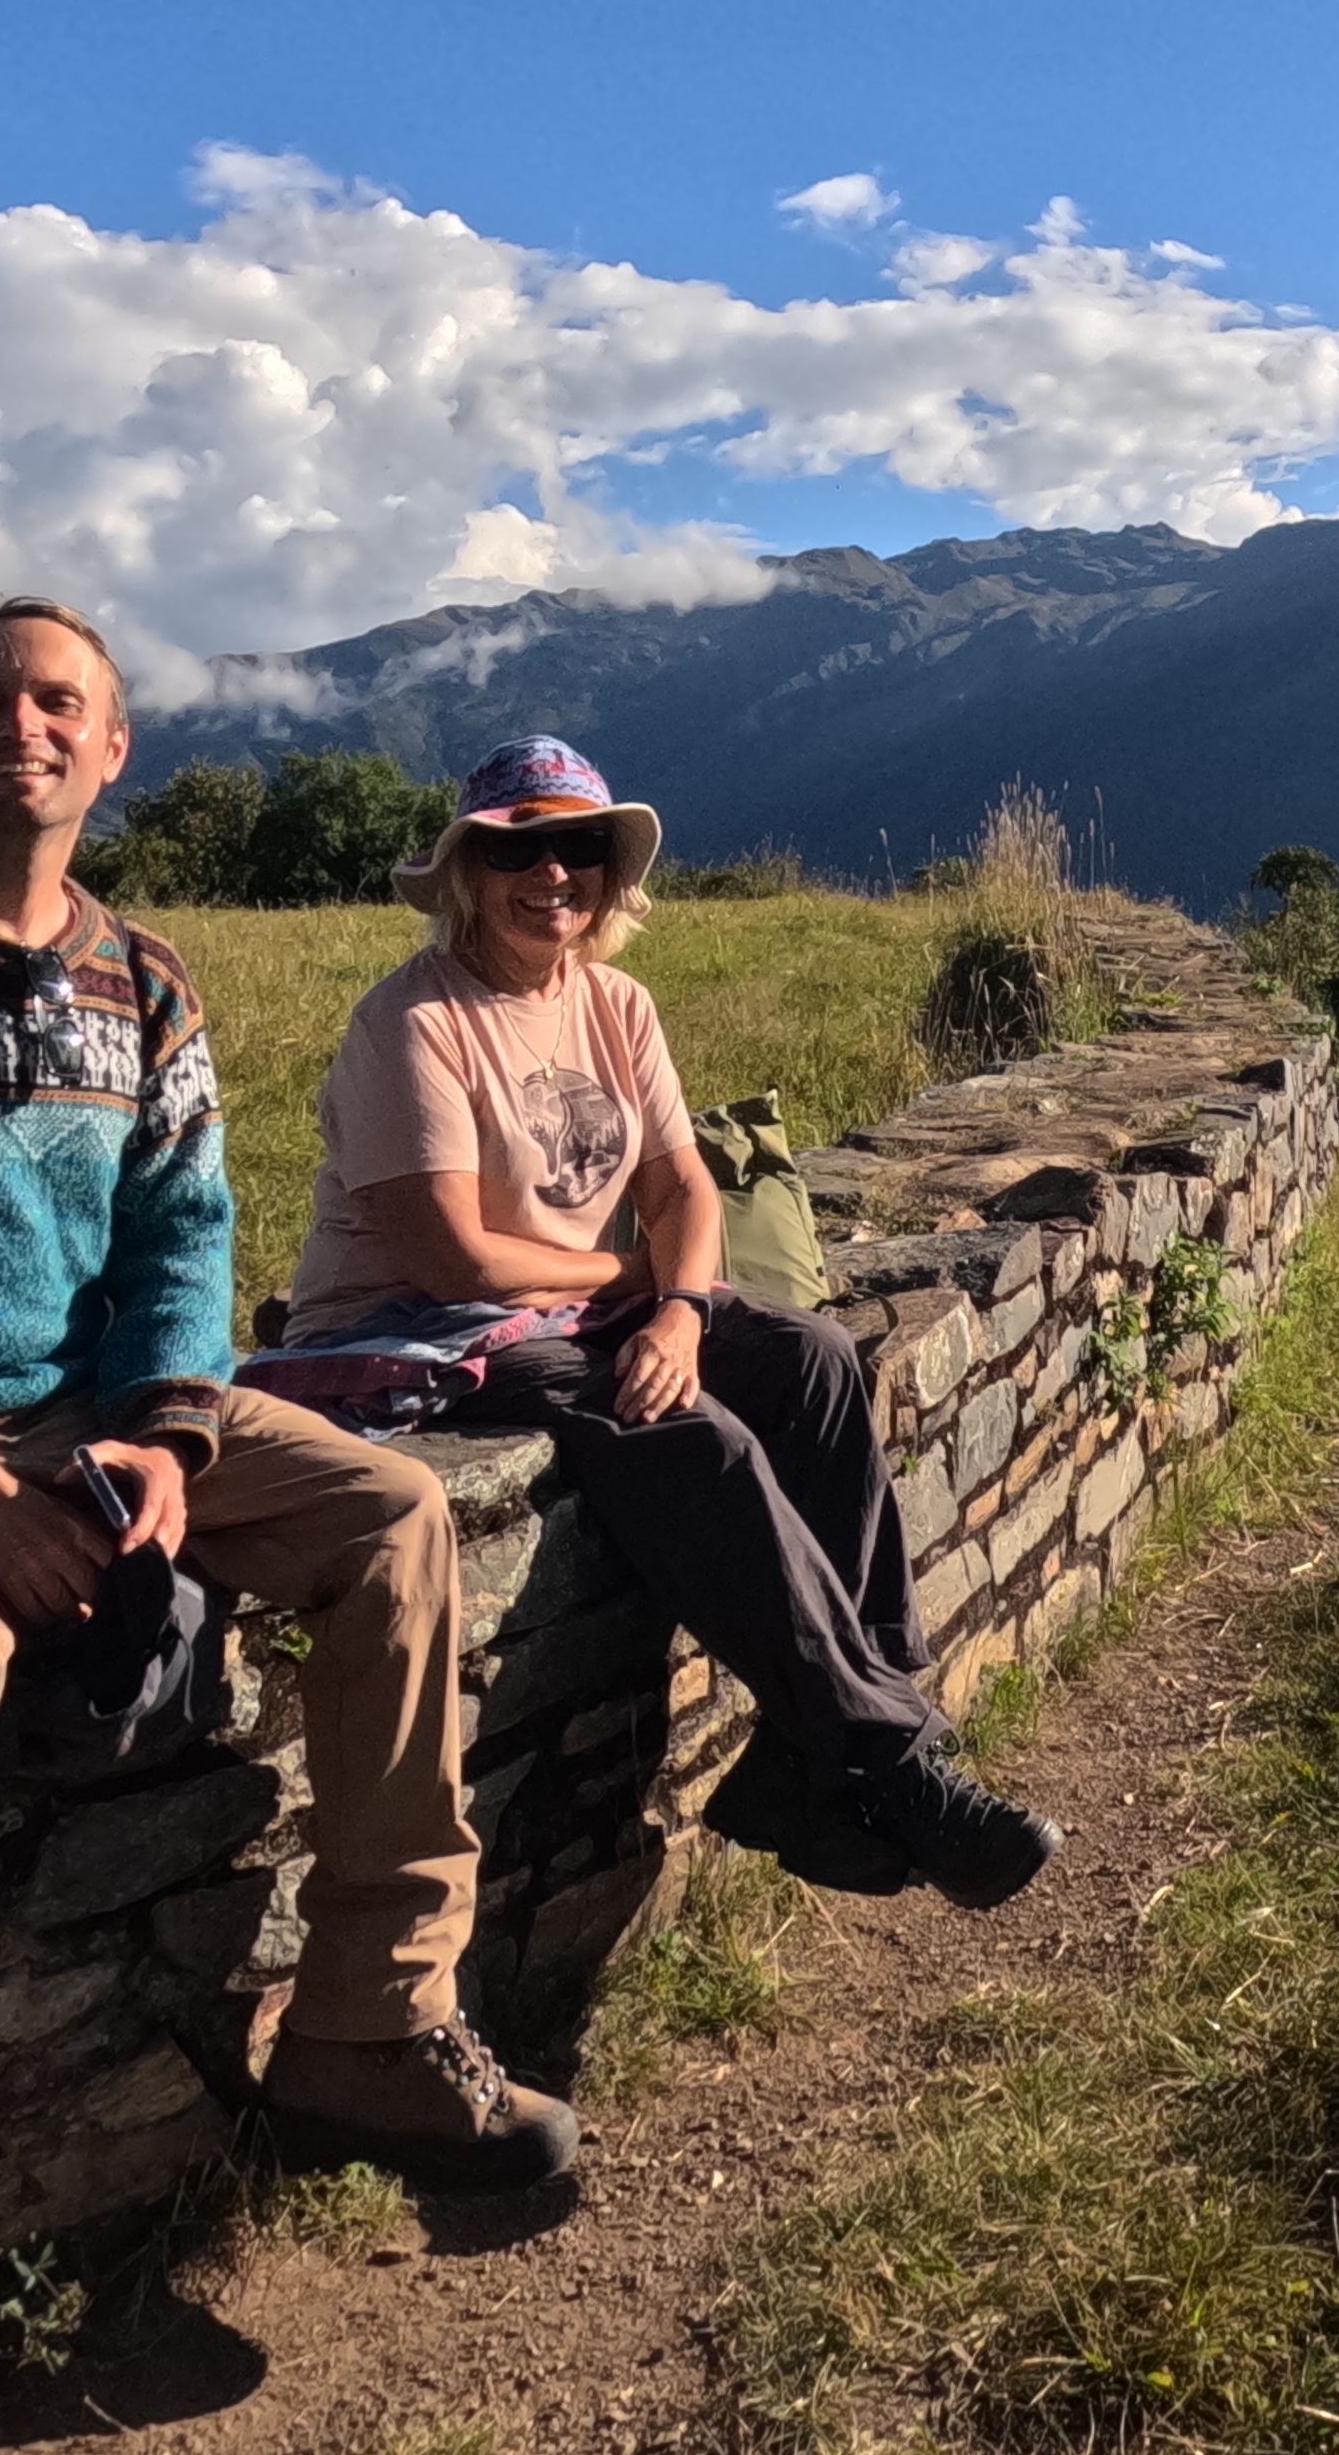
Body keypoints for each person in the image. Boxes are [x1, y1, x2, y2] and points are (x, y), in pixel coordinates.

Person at [0, 600, 579, 2455]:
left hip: (80, 1419)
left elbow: (183, 1243)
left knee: (391, 1515)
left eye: (56, 701)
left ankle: (366, 2011)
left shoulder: (146, 989)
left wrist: (166, 1440)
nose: (22, 725)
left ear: (114, 750)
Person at [256, 735, 1055, 1915]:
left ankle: (818, 1760)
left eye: (578, 847)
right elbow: (450, 1253)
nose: (554, 876)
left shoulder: (614, 1003)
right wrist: (628, 1277)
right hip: (419, 1324)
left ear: (610, 872)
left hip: (591, 1295)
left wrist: (677, 1308)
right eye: (519, 849)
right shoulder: (414, 1025)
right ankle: (895, 1766)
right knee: (694, 1440)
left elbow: (684, 1188)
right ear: (469, 870)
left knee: (818, 1362)